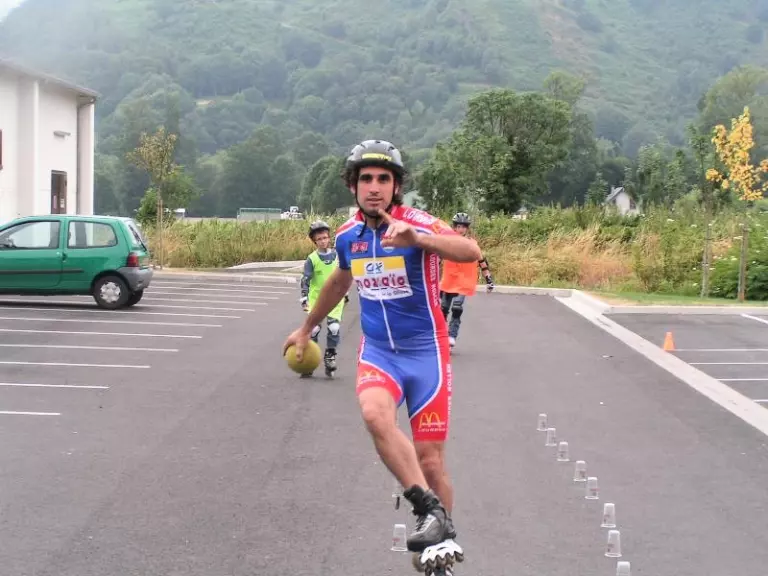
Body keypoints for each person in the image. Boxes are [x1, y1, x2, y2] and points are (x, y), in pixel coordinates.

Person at [282, 139, 482, 554]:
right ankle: (428, 510)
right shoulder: (346, 236)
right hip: (379, 352)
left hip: (426, 353)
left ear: (396, 186)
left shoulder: (416, 223)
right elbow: (340, 281)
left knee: (430, 461)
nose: (374, 187)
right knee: (374, 415)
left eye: (383, 179)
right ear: (352, 186)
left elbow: (470, 251)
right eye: (366, 179)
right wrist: (306, 328)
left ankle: (441, 543)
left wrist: (420, 241)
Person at [439, 212, 494, 348]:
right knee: (443, 309)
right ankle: (441, 335)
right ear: (454, 227)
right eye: (458, 226)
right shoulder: (447, 242)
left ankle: (452, 335)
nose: (461, 229)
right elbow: (436, 260)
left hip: (464, 281)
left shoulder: (472, 244)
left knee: (457, 307)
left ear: (467, 228)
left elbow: (482, 261)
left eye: (463, 227)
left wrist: (488, 279)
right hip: (448, 280)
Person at [299, 220, 347, 377]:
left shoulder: (338, 256)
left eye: (325, 238)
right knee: (314, 329)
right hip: (316, 299)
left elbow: (345, 276)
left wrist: (345, 292)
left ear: (329, 238)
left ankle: (330, 356)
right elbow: (305, 279)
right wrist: (304, 297)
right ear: (315, 241)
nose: (323, 241)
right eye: (319, 239)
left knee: (334, 328)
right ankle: (310, 360)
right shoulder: (312, 259)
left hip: (335, 298)